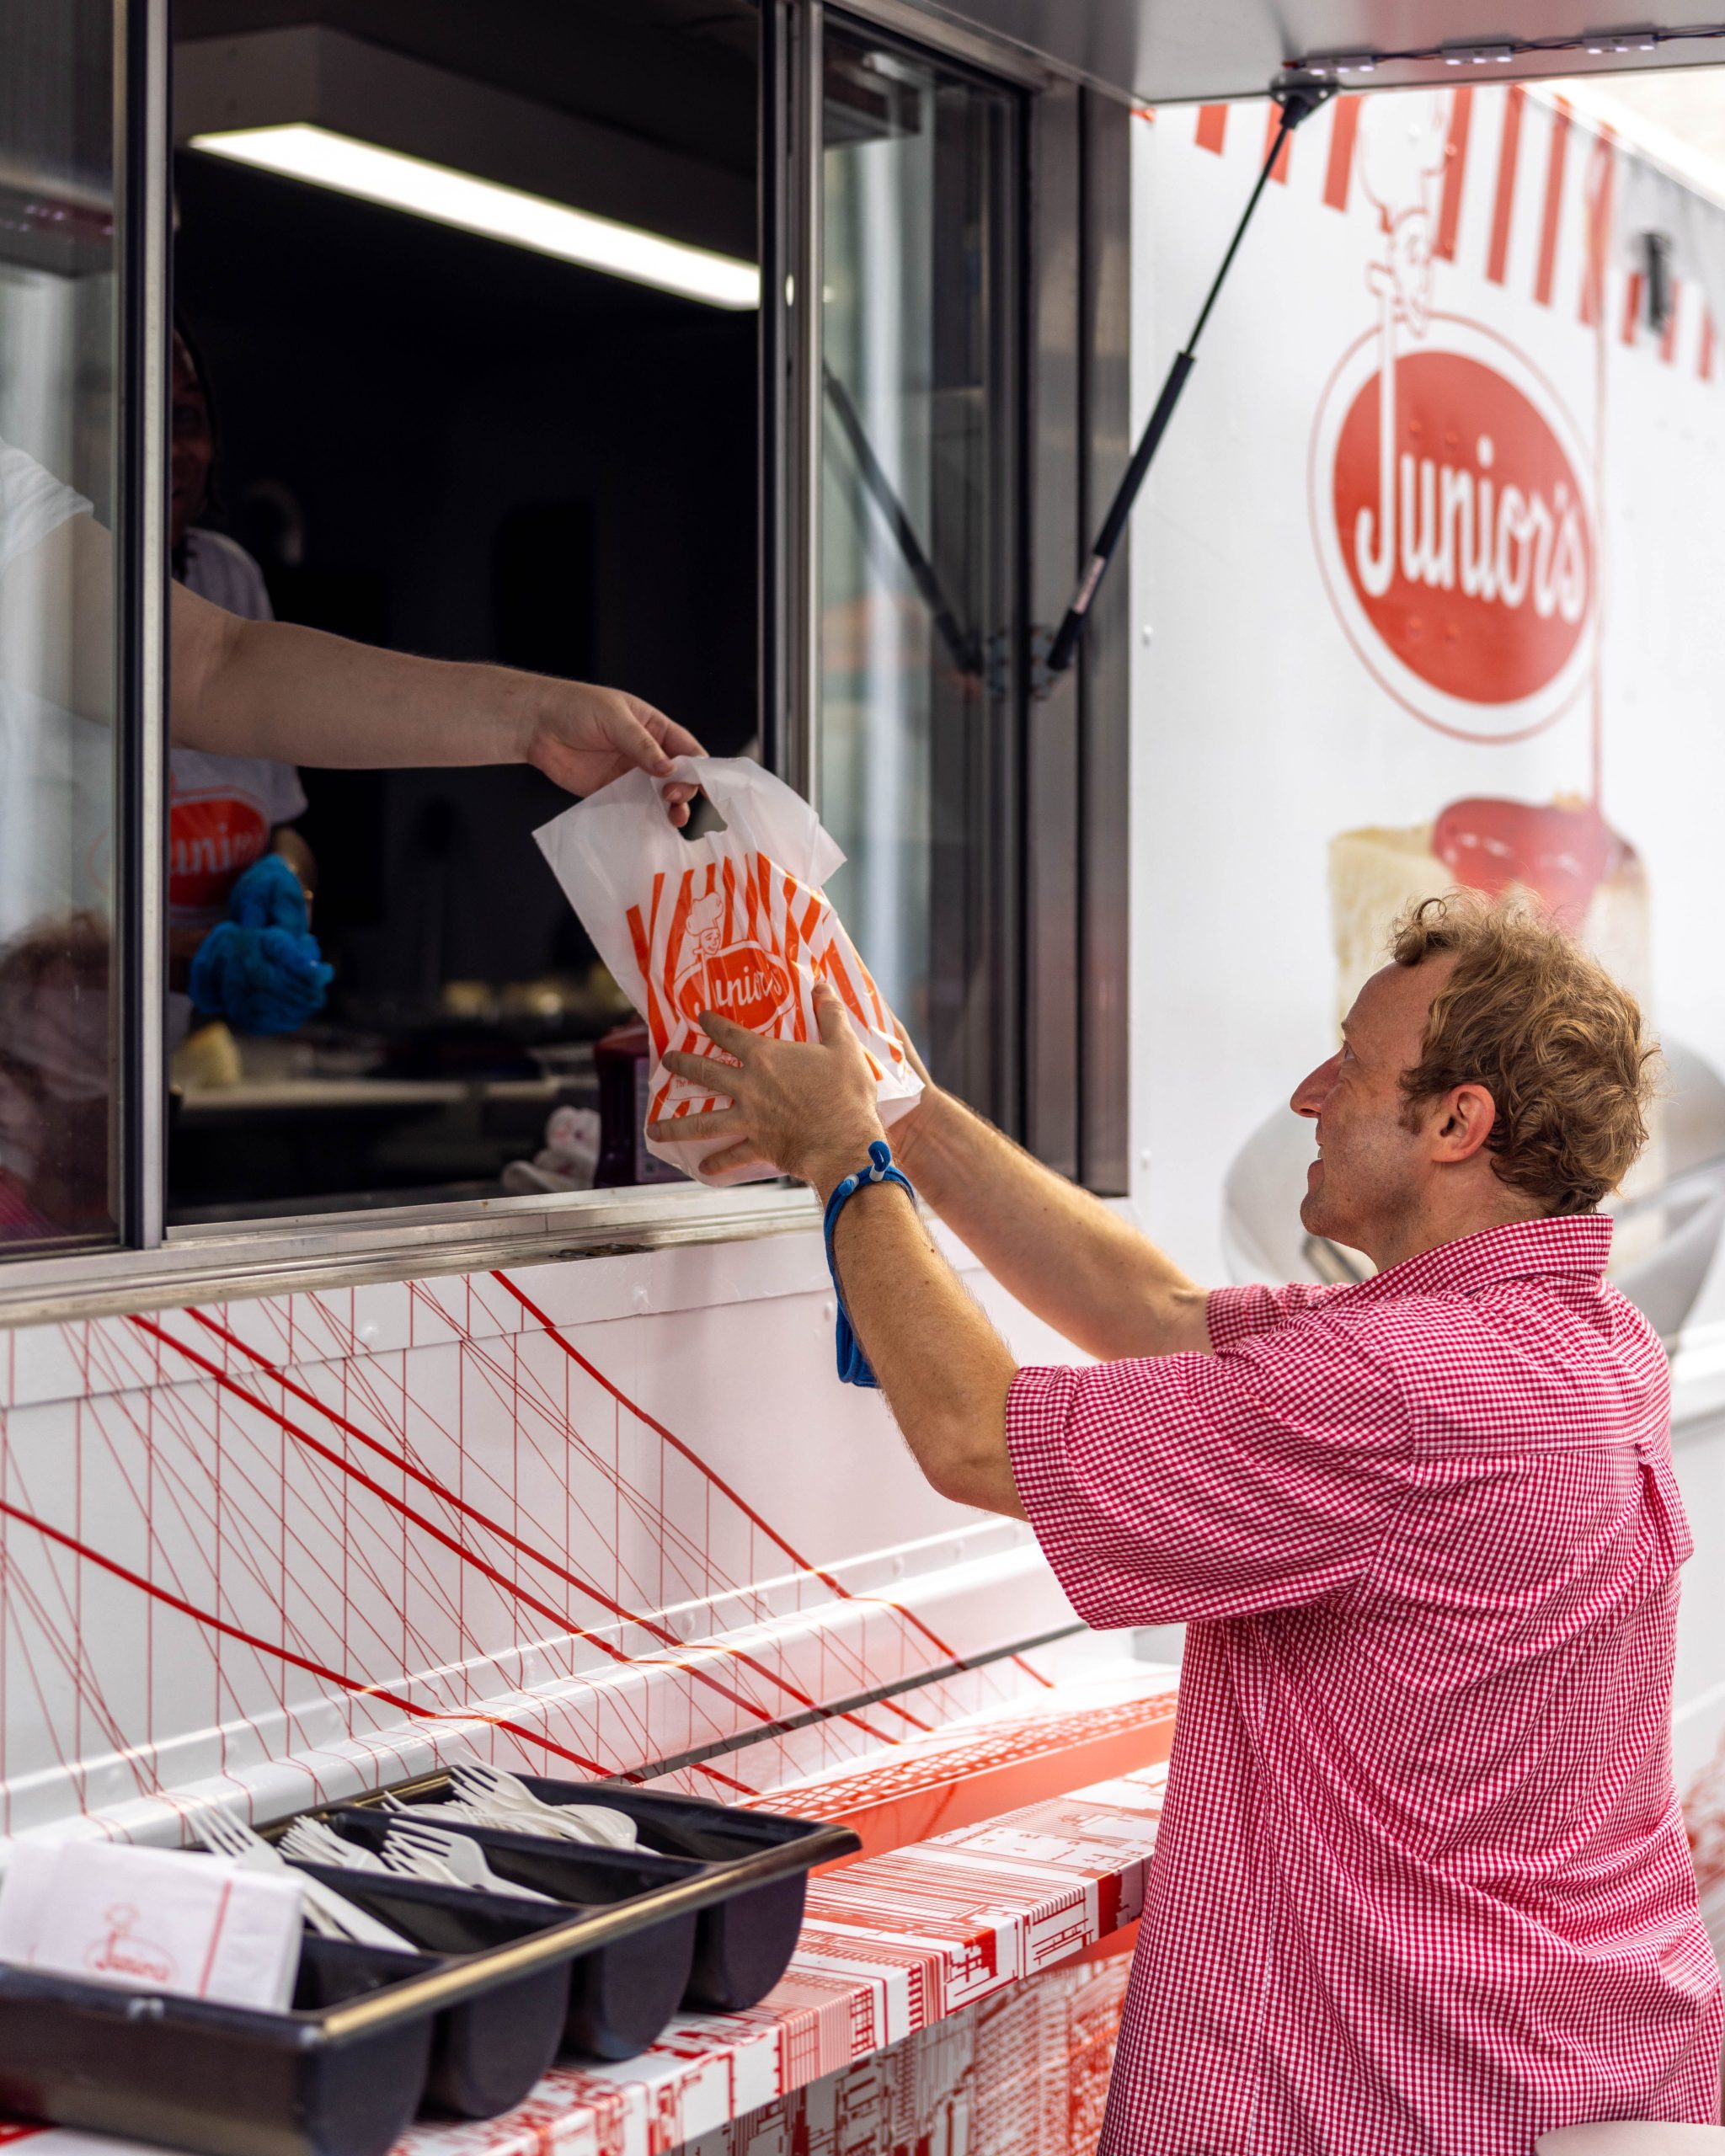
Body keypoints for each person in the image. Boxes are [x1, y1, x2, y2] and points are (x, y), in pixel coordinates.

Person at [649, 895, 1724, 2154]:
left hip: (1399, 2092)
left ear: (1456, 1121)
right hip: (1575, 2055)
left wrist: (846, 1160)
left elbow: (975, 1436)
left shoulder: (1401, 1391)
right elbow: (1156, 1309)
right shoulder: (1589, 1342)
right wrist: (905, 1109)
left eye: (1355, 1067)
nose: (1311, 1095)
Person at [168, 326, 319, 1043]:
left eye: (187, 419)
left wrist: (288, 882)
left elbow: (280, 821)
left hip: (152, 1061)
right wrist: (182, 961)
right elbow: (26, 920)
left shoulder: (227, 578)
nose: (167, 450)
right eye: (131, 411)